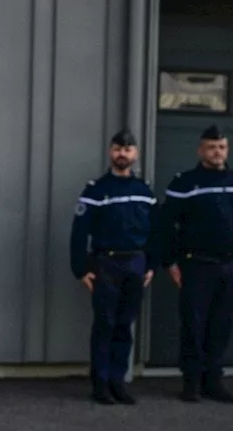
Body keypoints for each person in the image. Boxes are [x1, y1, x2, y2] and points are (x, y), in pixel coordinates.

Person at [69, 129, 156, 405]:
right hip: (106, 262)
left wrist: (151, 264)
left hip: (136, 263)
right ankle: (101, 384)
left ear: (135, 154)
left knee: (124, 325)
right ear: (110, 152)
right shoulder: (96, 190)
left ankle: (118, 381)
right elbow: (79, 231)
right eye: (118, 148)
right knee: (105, 323)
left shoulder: (144, 191)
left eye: (128, 149)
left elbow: (156, 231)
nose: (123, 154)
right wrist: (80, 268)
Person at [152, 124, 233, 403]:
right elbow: (165, 226)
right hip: (197, 265)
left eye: (222, 147)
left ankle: (214, 380)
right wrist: (170, 263)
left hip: (229, 266)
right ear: (200, 150)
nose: (217, 152)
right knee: (193, 325)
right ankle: (192, 382)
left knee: (221, 326)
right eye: (211, 147)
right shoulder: (184, 183)